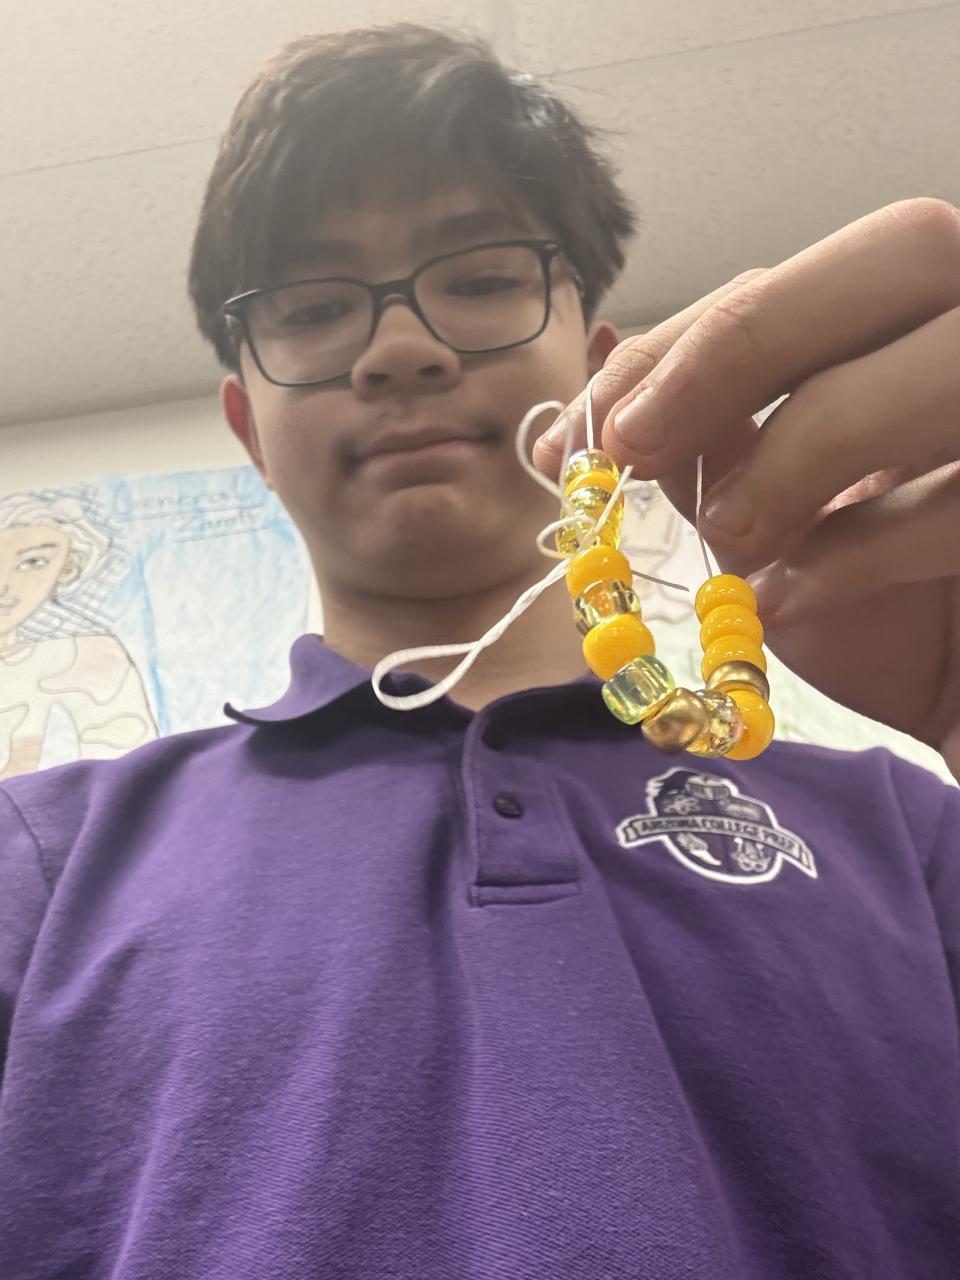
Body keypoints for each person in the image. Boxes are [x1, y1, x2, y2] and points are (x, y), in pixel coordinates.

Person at [1, 23, 957, 1280]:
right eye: (313, 306)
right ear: (249, 428)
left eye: (484, 277)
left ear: (607, 373)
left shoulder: (916, 838)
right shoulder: (39, 864)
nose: (402, 347)